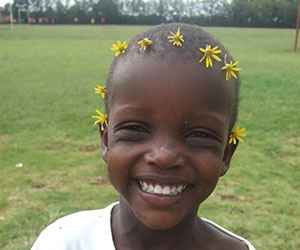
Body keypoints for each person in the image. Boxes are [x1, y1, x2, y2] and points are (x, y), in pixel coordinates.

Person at [31, 23, 254, 250]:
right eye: (136, 129)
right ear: (106, 140)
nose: (164, 157)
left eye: (199, 134)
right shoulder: (64, 242)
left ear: (226, 155)